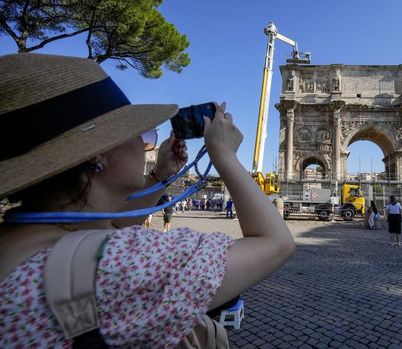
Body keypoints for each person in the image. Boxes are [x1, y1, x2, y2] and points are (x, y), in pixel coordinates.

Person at [0, 54, 295, 347]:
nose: (146, 144)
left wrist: (159, 175)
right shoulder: (121, 262)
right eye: (140, 134)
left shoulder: (21, 236)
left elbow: (112, 223)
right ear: (98, 154)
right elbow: (275, 243)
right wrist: (224, 155)